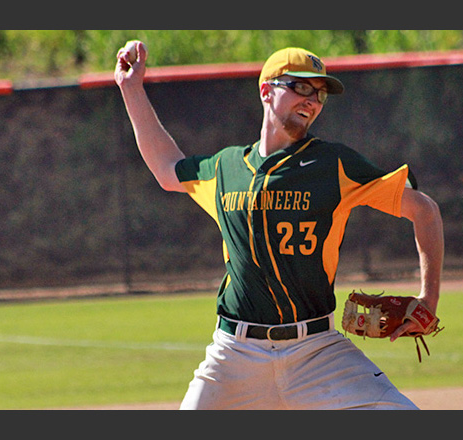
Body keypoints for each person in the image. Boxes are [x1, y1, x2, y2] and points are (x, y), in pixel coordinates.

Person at [115, 41, 444, 410]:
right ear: (266, 90)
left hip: (317, 351)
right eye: (301, 87)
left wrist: (427, 300)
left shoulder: (333, 164)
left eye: (320, 93)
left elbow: (425, 210)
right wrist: (131, 89)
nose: (313, 100)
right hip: (236, 353)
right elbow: (166, 169)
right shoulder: (226, 168)